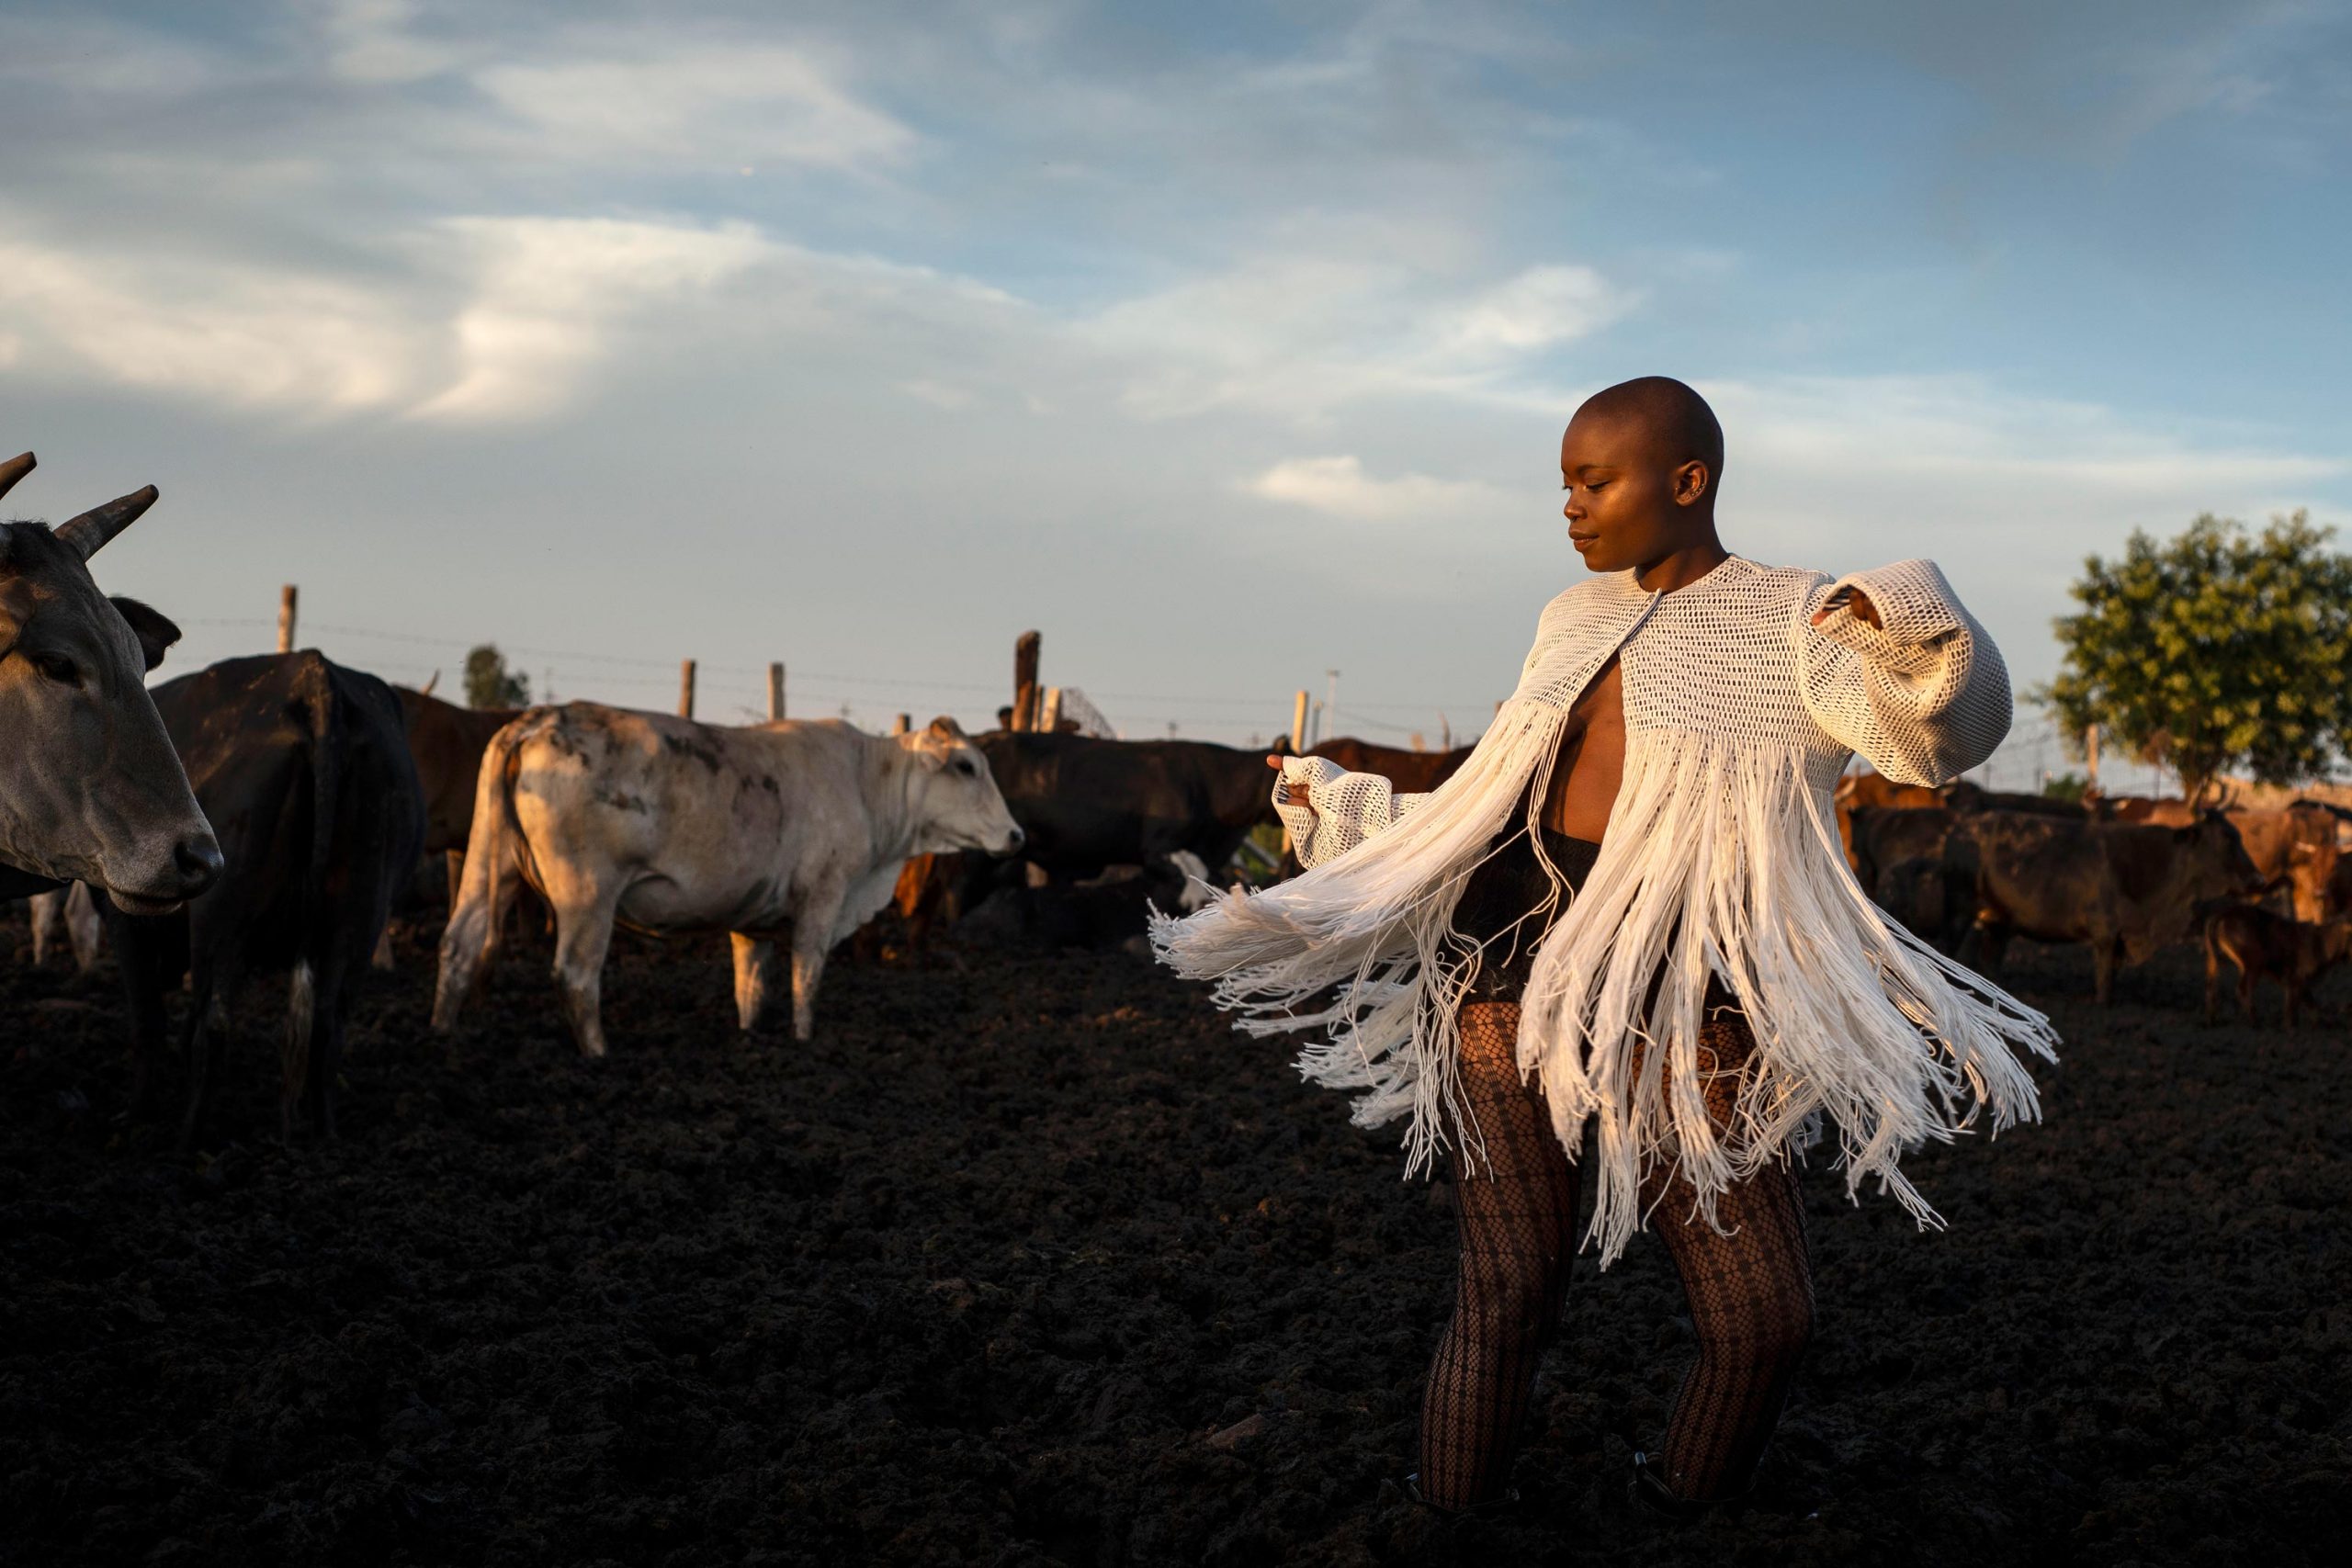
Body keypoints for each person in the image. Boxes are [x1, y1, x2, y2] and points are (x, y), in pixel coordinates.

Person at [1152, 377, 2057, 1517]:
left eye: (1593, 480)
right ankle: (1446, 1520)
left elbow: (1941, 735)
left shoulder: (1798, 619)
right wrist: (1362, 814)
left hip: (1681, 986)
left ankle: (1683, 1501)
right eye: (1563, 483)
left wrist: (1904, 606)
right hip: (1504, 956)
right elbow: (1501, 786)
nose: (1569, 507)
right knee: (1508, 1290)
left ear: (1688, 482)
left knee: (1761, 1319)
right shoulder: (1569, 618)